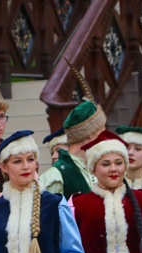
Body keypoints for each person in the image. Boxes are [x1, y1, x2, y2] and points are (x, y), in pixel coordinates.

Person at [39, 64, 106, 199]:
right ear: (89, 135)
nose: (105, 138)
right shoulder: (56, 176)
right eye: (101, 132)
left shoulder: (97, 167)